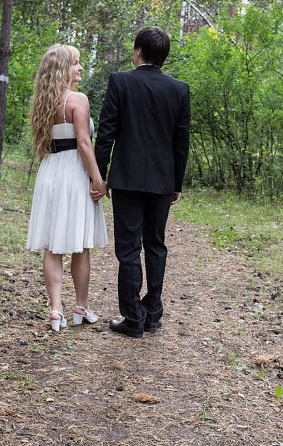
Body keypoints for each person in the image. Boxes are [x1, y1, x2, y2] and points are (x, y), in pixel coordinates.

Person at [94, 26, 190, 338]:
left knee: (129, 248)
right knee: (156, 244)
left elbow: (106, 132)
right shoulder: (179, 89)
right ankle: (153, 312)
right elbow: (181, 143)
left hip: (127, 178)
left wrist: (99, 174)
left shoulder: (120, 81)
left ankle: (133, 317)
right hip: (162, 180)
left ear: (137, 50)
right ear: (164, 56)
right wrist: (176, 183)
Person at [27, 44, 108, 331]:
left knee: (52, 244)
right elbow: (84, 143)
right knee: (79, 243)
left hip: (50, 171)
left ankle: (55, 309)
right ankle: (80, 306)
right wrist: (98, 179)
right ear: (63, 68)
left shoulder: (43, 102)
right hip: (74, 172)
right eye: (75, 63)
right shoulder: (77, 99)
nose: (80, 67)